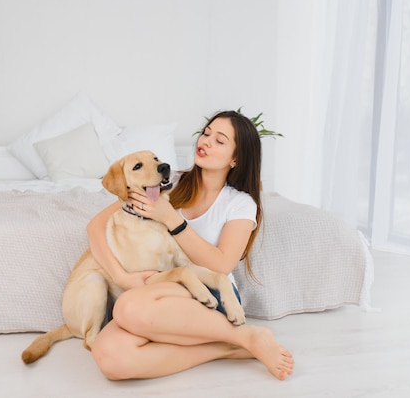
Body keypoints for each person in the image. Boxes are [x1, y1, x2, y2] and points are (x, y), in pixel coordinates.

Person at [86, 110, 294, 380]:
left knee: (127, 307)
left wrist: (171, 219)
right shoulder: (166, 183)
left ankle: (241, 333)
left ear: (235, 159)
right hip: (166, 289)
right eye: (206, 133)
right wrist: (121, 276)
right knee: (110, 358)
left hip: (213, 294)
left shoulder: (240, 203)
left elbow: (221, 264)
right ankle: (233, 347)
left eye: (220, 140)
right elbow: (95, 227)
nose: (206, 141)